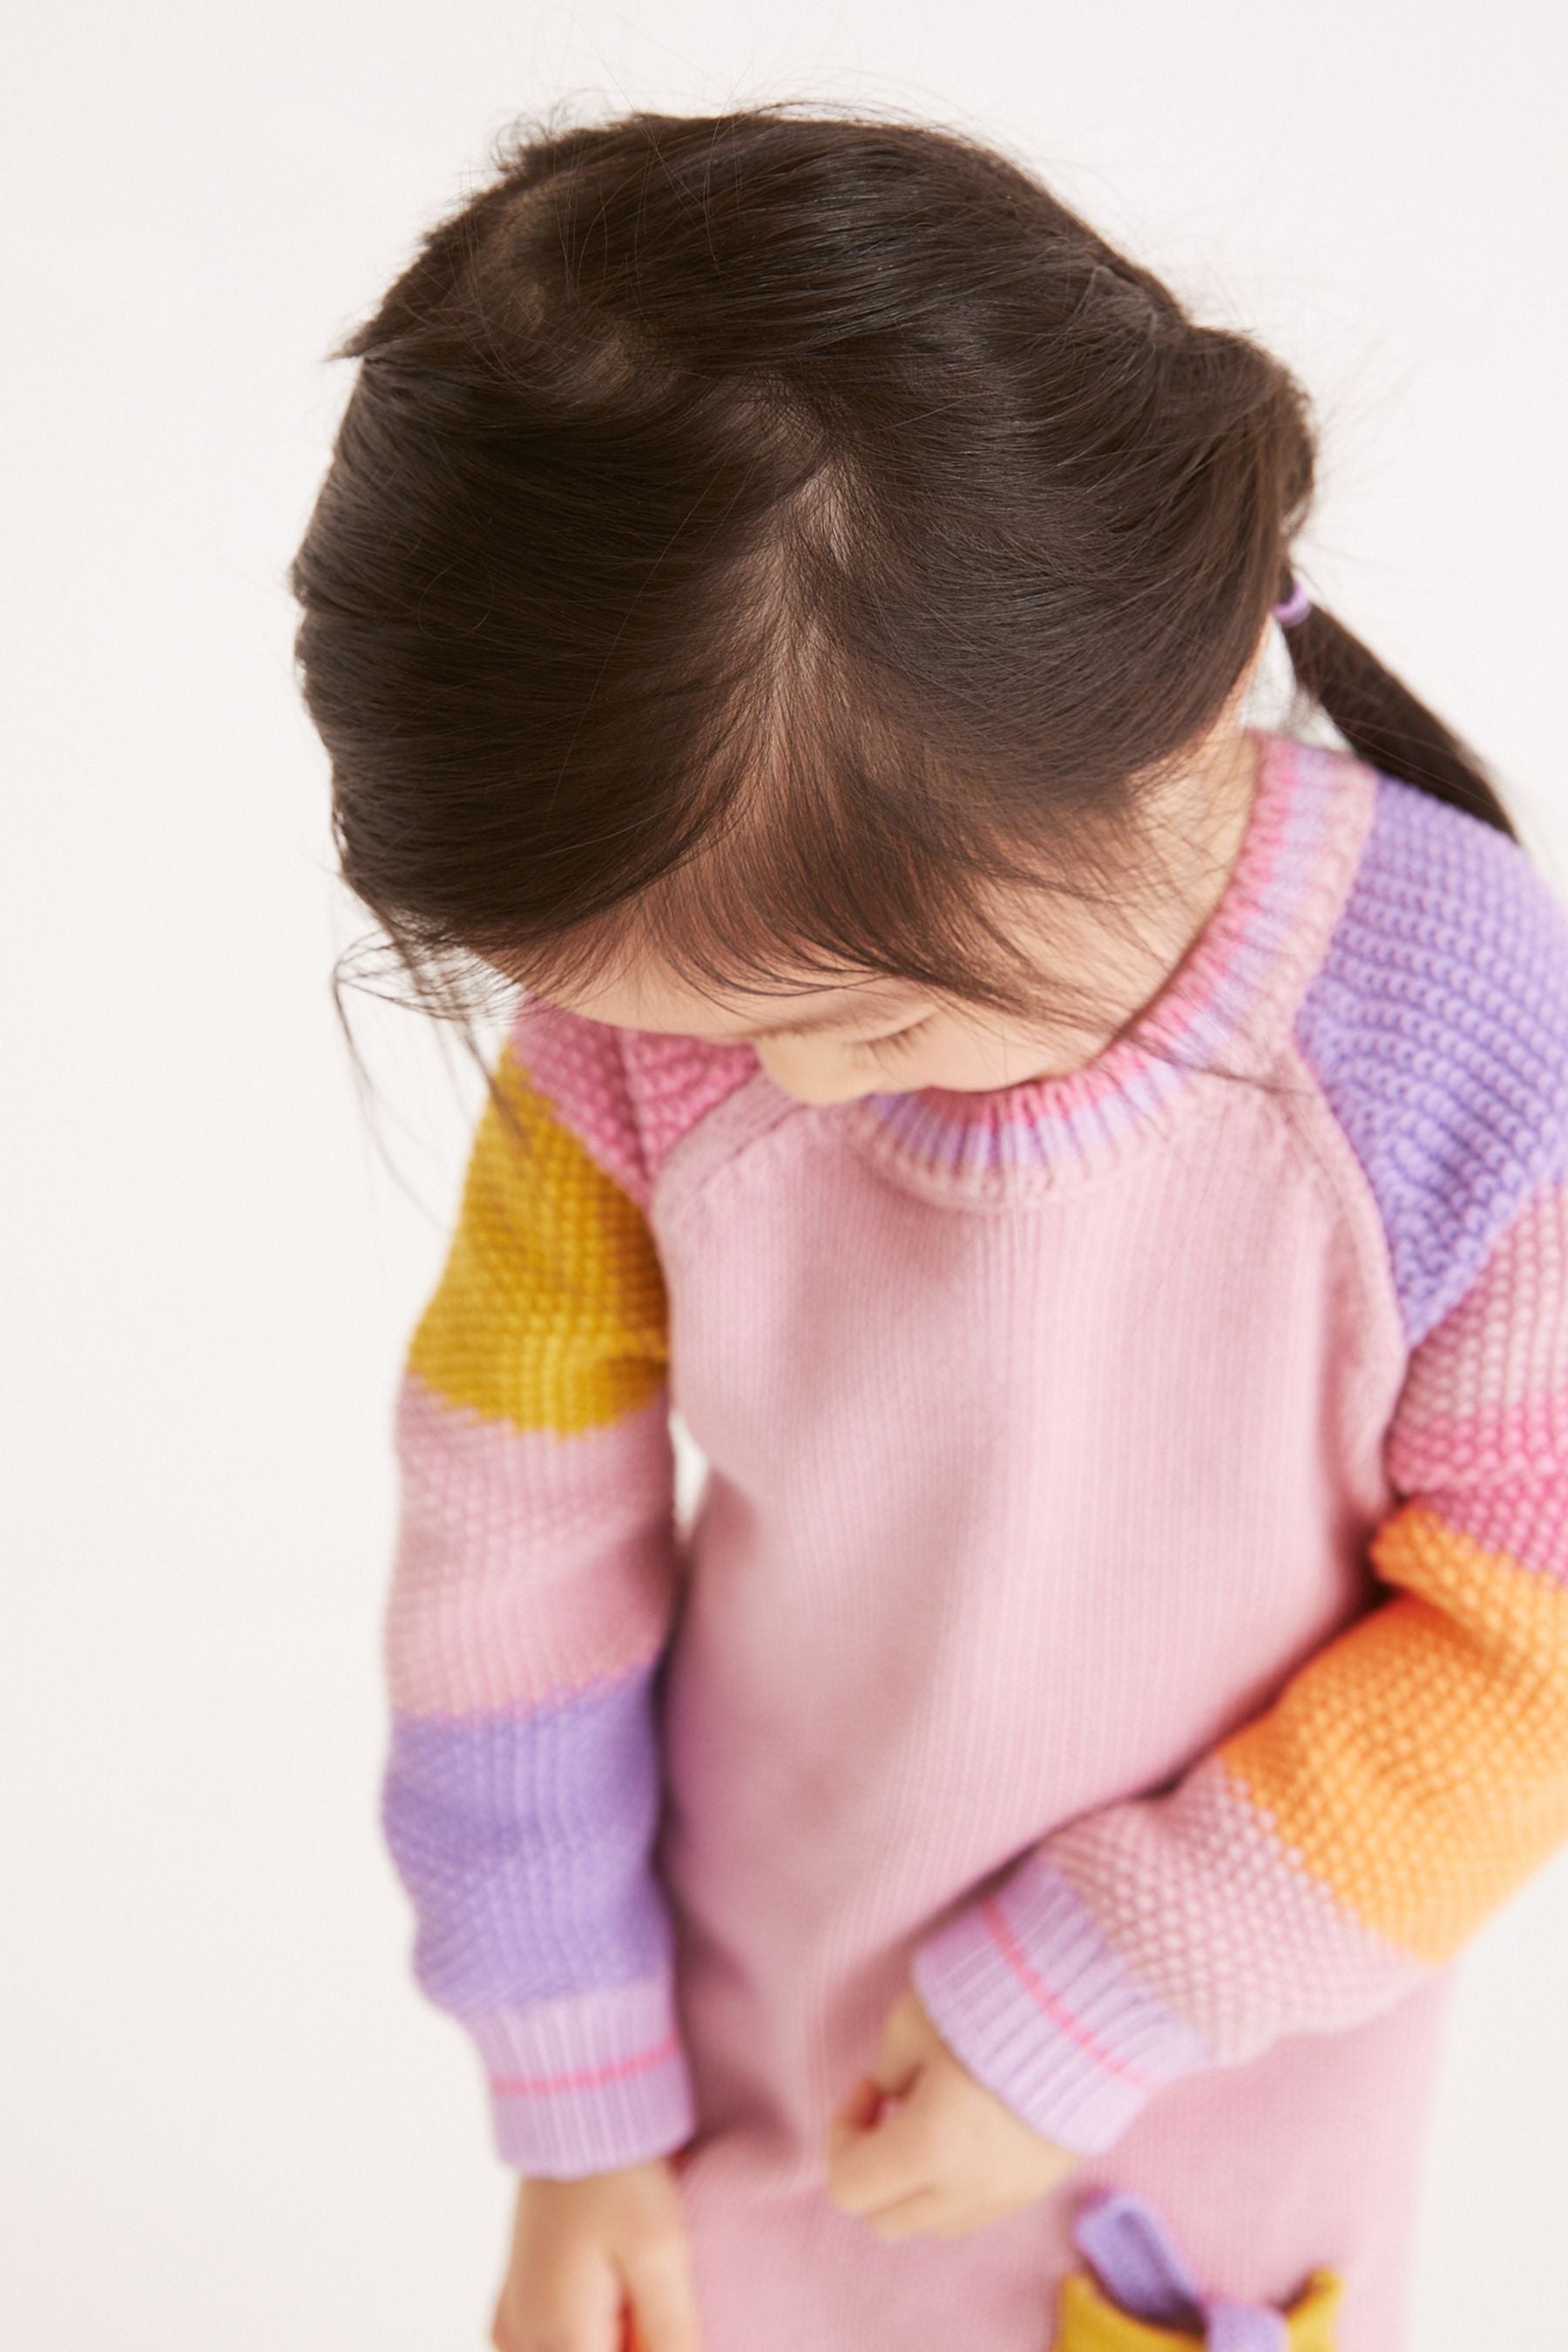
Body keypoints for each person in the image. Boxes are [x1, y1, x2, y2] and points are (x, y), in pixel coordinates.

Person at [287, 103, 1568, 2352]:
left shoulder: (1464, 1052)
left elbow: (1533, 1646)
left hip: (1193, 2121)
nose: (777, 1092)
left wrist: (1091, 1994)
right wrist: (570, 2092)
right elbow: (509, 1546)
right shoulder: (637, 1053)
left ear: (1169, 736)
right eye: (682, 1020)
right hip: (722, 2079)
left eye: (865, 1015)